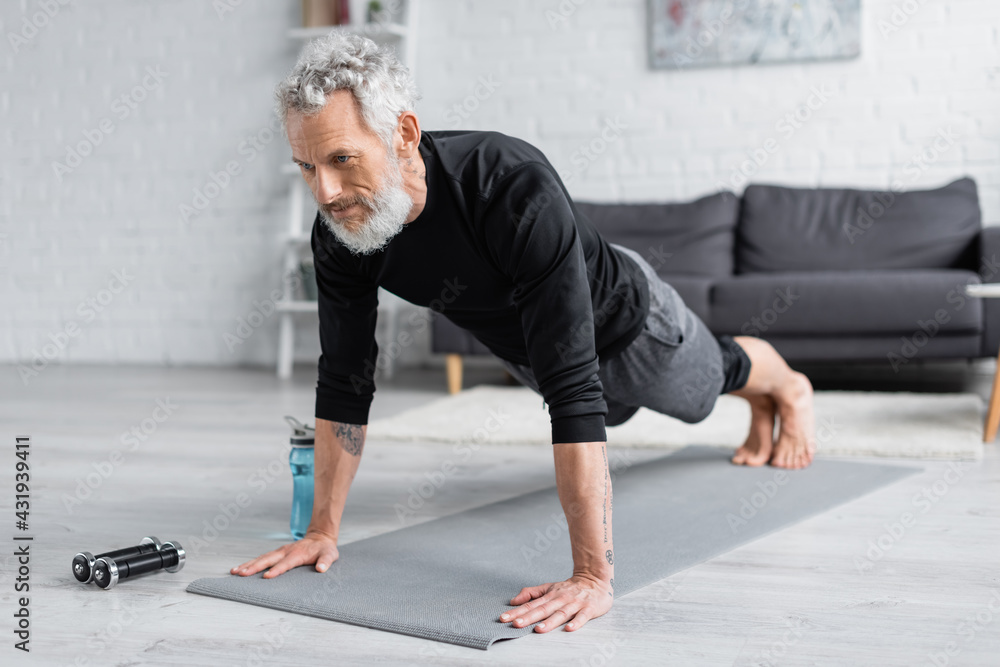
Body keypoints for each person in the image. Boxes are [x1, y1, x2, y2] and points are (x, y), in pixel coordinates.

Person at [232, 32, 816, 634]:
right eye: (307, 166)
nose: (324, 192)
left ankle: (788, 386)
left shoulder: (509, 186)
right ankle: (762, 396)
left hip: (627, 323)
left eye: (341, 160)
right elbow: (346, 378)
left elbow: (573, 391)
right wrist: (321, 532)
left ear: (403, 134)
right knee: (611, 416)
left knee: (702, 392)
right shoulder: (343, 233)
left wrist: (593, 576)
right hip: (530, 347)